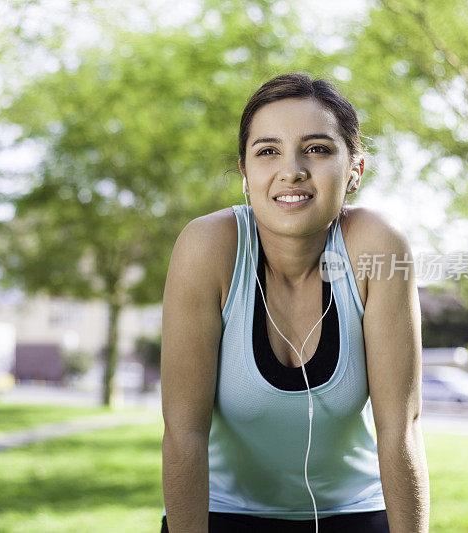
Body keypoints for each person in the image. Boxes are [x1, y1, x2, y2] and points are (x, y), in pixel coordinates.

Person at [160, 73, 430, 532]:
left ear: (354, 170)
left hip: (355, 513)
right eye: (268, 151)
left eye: (318, 149)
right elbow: (184, 436)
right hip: (225, 514)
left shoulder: (378, 246)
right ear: (245, 174)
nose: (292, 170)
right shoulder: (208, 247)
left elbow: (400, 430)